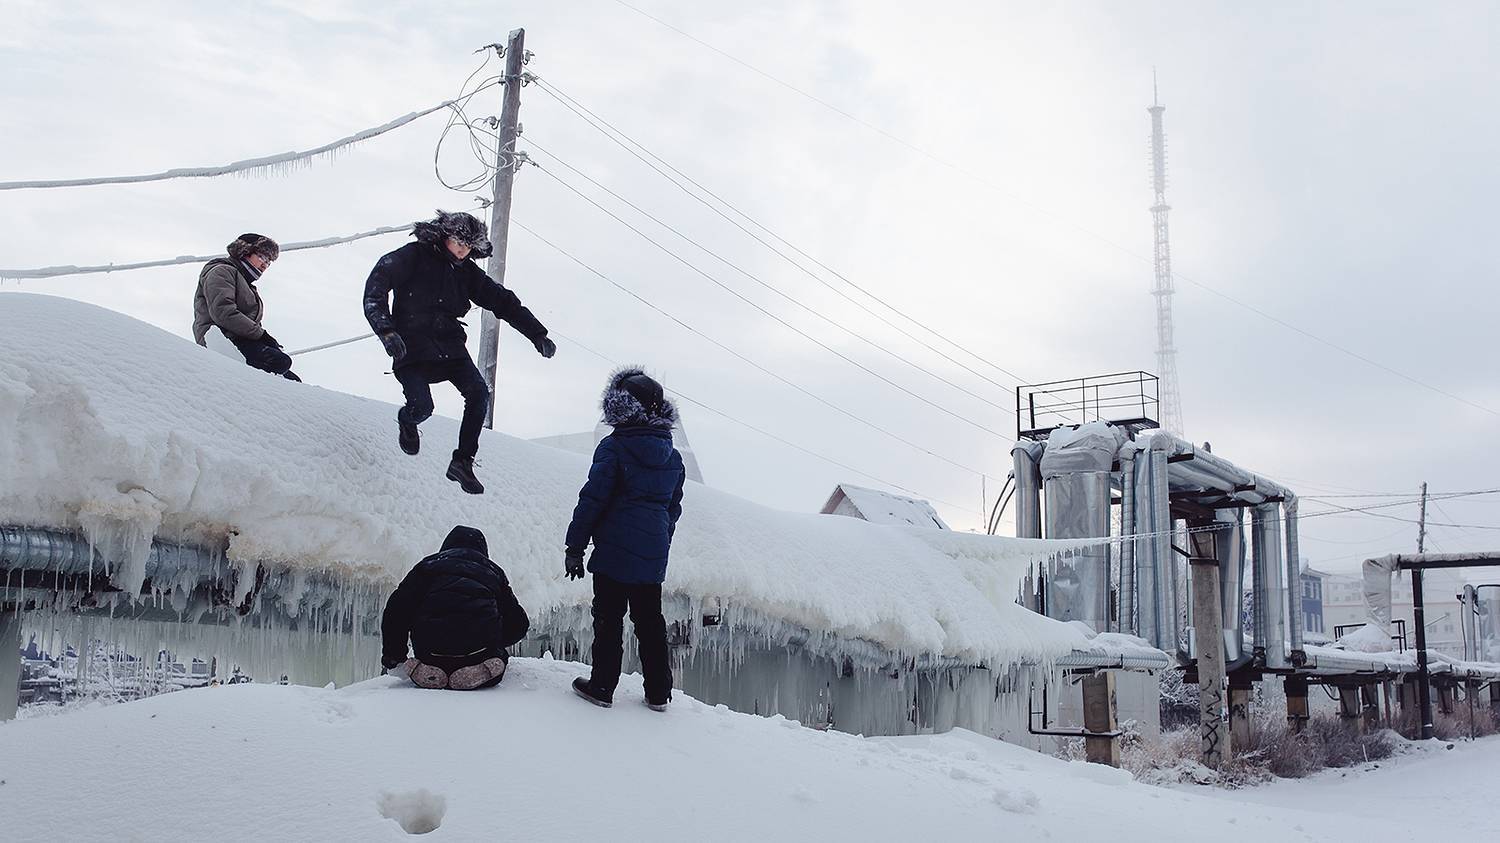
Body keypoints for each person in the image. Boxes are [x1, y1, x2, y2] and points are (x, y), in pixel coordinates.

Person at [363, 210, 556, 495]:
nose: (462, 250)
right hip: (411, 347)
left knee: (479, 393)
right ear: (444, 237)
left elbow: (503, 301)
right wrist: (386, 330)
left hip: (450, 347)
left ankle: (462, 462)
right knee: (423, 407)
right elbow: (376, 285)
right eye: (457, 243)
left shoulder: (467, 273)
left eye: (468, 246)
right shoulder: (414, 256)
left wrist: (537, 333)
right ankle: (408, 419)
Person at [565, 367, 687, 711]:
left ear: (619, 407)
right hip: (652, 552)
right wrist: (660, 539)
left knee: (608, 617)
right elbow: (673, 508)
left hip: (614, 551)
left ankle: (602, 686)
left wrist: (575, 546)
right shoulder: (672, 456)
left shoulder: (615, 447)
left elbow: (593, 498)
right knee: (650, 622)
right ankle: (659, 693)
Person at [381, 525, 530, 691]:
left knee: (427, 645)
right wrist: (496, 641)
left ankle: (423, 670)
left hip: (430, 652)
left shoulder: (427, 566)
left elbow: (396, 610)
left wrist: (394, 657)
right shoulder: (492, 571)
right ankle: (483, 668)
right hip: (479, 652)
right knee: (497, 656)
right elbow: (519, 624)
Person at [192, 233, 302, 381]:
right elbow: (223, 312)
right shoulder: (221, 271)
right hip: (222, 338)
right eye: (263, 257)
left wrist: (265, 340)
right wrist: (261, 335)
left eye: (269, 262)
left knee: (292, 380)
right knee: (280, 362)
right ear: (245, 251)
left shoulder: (246, 285)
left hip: (241, 338)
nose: (265, 264)